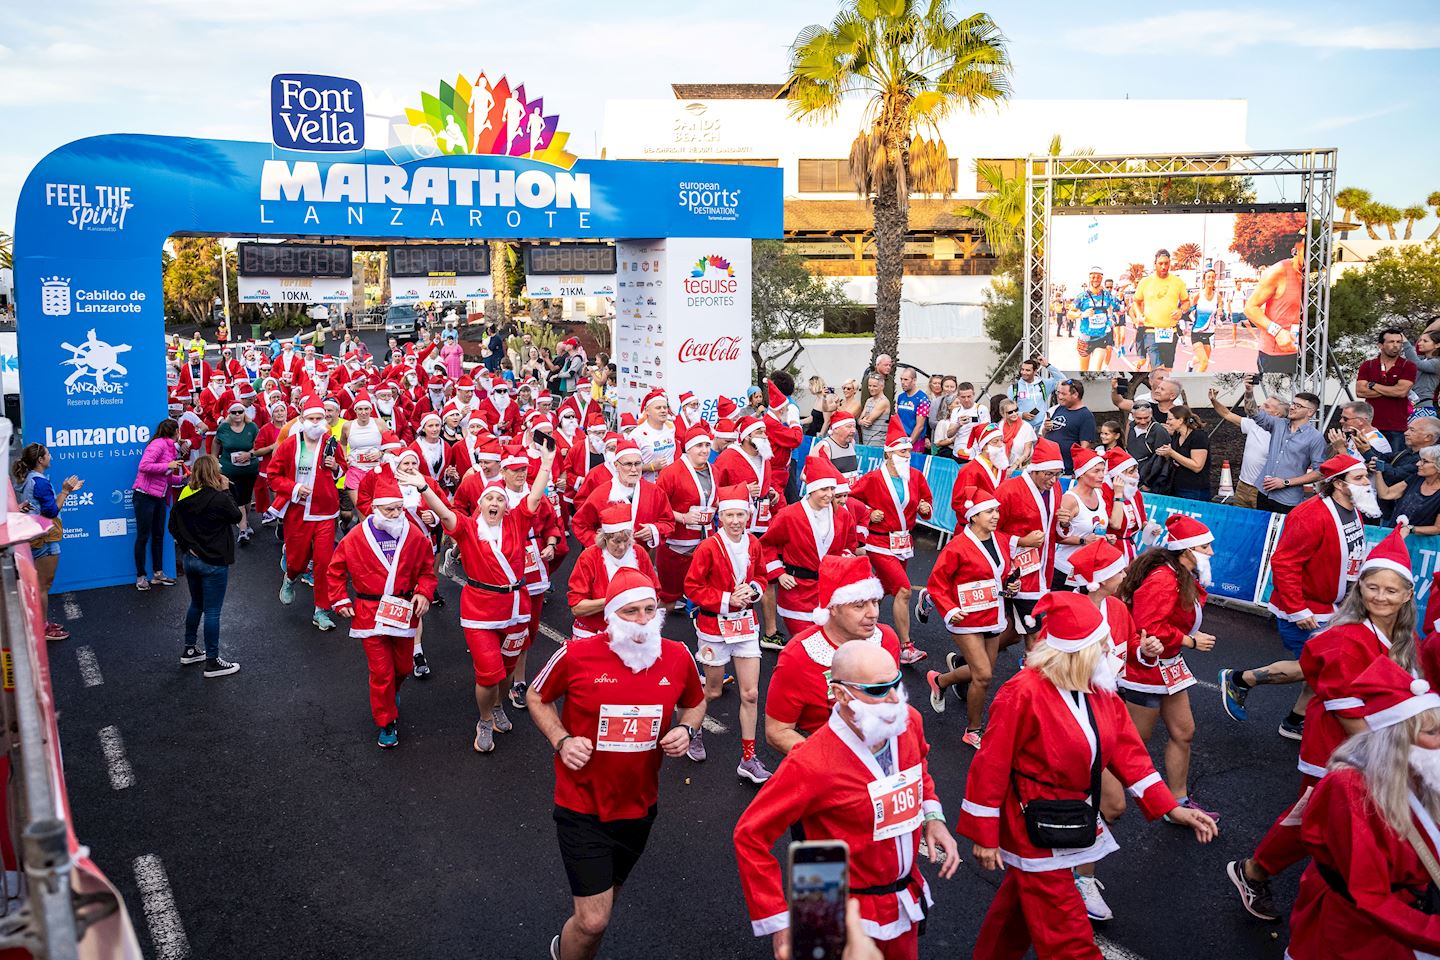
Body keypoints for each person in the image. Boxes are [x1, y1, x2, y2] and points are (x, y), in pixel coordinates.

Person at [958, 591, 1217, 960]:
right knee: (1070, 939)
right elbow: (990, 766)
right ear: (1077, 651)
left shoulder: (1100, 690)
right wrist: (984, 834)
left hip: (1070, 816)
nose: (1112, 649)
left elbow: (1129, 753)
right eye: (1103, 643)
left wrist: (1171, 808)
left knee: (1014, 915)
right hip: (1033, 824)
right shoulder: (1022, 693)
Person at [1227, 527, 1419, 923]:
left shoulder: (1402, 638)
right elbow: (1349, 715)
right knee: (1314, 817)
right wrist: (1392, 762)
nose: (1380, 597)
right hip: (1340, 748)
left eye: (1391, 590)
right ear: (1359, 588)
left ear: (1407, 595)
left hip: (1374, 746)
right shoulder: (1346, 638)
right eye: (1373, 587)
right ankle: (1254, 873)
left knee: (1329, 821)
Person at [735, 640, 959, 960]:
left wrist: (932, 816)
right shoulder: (810, 762)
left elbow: (918, 766)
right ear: (841, 694)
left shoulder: (907, 721)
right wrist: (778, 921)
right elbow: (750, 834)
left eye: (896, 682)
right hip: (833, 908)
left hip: (902, 900)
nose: (895, 697)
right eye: (879, 689)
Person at [528, 568, 705, 960]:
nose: (643, 620)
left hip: (639, 804)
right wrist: (561, 739)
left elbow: (695, 702)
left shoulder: (676, 655)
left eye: (649, 609)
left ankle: (580, 950)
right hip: (582, 804)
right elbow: (537, 696)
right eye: (630, 612)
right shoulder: (577, 654)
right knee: (593, 920)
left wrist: (688, 730)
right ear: (610, 615)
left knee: (605, 901)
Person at [1285, 657, 1440, 958]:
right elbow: (1368, 893)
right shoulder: (1349, 788)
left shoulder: (1422, 772)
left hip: (1408, 915)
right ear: (1396, 739)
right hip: (1356, 930)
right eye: (1432, 733)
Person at [1220, 455, 1383, 738]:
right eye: (1358, 478)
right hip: (1307, 608)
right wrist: (1298, 608)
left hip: (1334, 607)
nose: (1366, 482)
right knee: (1321, 666)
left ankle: (1295, 721)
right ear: (1337, 484)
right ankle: (1240, 679)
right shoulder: (1310, 515)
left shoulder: (1353, 510)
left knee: (1323, 668)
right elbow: (1284, 563)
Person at [1118, 514, 1219, 819]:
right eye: (1205, 547)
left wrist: (1186, 638)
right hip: (1147, 668)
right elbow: (1147, 626)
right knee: (1133, 743)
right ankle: (1094, 791)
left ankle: (1178, 803)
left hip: (1169, 665)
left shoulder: (1180, 574)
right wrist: (1190, 641)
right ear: (1187, 551)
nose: (1211, 553)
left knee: (1184, 732)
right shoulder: (1164, 578)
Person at [327, 471, 437, 747]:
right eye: (390, 509)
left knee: (402, 668)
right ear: (375, 509)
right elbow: (335, 570)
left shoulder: (412, 534)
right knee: (381, 672)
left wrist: (423, 593)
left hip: (403, 611)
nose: (396, 513)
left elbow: (427, 571)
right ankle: (386, 722)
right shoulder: (355, 537)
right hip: (369, 613)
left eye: (399, 508)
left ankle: (391, 694)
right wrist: (340, 599)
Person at [763, 555, 902, 754]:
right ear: (833, 608)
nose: (873, 613)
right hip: (827, 758)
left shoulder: (887, 639)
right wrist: (828, 760)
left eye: (875, 602)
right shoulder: (798, 656)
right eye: (859, 605)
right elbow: (777, 731)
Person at [683, 484, 771, 783]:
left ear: (748, 516)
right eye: (729, 515)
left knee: (751, 692)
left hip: (745, 625)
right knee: (713, 690)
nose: (735, 520)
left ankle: (748, 758)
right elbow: (691, 587)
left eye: (740, 514)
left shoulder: (753, 544)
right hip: (713, 626)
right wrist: (726, 599)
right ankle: (693, 731)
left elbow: (761, 575)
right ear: (720, 517)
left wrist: (755, 589)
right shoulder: (709, 547)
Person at [923, 485, 1016, 749]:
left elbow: (1003, 573)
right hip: (966, 619)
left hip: (994, 614)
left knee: (982, 670)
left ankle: (940, 680)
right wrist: (950, 609)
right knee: (984, 675)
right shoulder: (957, 547)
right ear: (973, 516)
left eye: (997, 510)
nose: (996, 515)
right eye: (989, 511)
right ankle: (973, 729)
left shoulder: (999, 540)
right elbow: (936, 583)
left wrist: (1010, 584)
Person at [851, 417, 933, 665]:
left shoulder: (916, 477)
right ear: (889, 454)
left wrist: (925, 507)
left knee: (885, 590)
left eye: (908, 450)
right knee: (904, 590)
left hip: (904, 543)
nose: (907, 455)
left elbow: (927, 508)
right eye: (902, 450)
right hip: (879, 542)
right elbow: (851, 501)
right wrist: (868, 511)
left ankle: (851, 625)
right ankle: (906, 647)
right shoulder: (874, 478)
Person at [269, 395, 349, 632]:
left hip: (325, 512)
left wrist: (336, 468)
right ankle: (290, 577)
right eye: (311, 418)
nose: (316, 423)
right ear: (302, 418)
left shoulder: (331, 442)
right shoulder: (290, 444)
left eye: (320, 418)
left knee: (324, 563)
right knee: (298, 560)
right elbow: (274, 476)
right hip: (298, 511)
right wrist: (293, 488)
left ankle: (321, 610)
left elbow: (342, 468)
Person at [168, 455, 242, 678]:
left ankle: (190, 649)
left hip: (191, 561)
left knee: (196, 604)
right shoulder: (219, 499)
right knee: (212, 611)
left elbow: (173, 525)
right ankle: (212, 661)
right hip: (214, 562)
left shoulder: (185, 499)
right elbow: (237, 515)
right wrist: (226, 490)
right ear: (214, 473)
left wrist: (187, 545)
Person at [763, 459, 849, 638]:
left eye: (832, 489)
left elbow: (850, 545)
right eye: (823, 489)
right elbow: (766, 545)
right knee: (806, 645)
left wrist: (846, 559)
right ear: (811, 489)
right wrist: (779, 573)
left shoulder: (842, 515)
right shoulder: (789, 515)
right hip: (798, 593)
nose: (829, 494)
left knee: (829, 645)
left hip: (829, 591)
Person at [13, 444, 83, 640]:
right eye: (48, 454)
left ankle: (41, 623)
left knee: (42, 584)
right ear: (40, 460)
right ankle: (42, 628)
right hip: (43, 538)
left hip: (39, 536)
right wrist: (65, 491)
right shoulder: (40, 482)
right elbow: (52, 512)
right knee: (43, 585)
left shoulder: (30, 479)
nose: (51, 456)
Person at [993, 438, 1064, 631]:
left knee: (1015, 630)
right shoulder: (1008, 490)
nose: (1053, 480)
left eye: (1058, 474)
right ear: (1034, 469)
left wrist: (1064, 523)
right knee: (1031, 628)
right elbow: (987, 532)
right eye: (1049, 474)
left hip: (1042, 565)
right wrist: (1021, 541)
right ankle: (1031, 661)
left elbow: (1054, 530)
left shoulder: (1055, 488)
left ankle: (962, 662)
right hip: (1014, 568)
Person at [566, 505, 660, 641]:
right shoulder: (589, 557)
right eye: (616, 541)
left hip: (633, 631)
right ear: (604, 538)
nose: (622, 547)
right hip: (594, 632)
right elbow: (577, 607)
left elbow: (655, 592)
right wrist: (615, 600)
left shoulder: (639, 553)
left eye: (626, 540)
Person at [654, 422, 716, 611]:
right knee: (669, 600)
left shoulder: (714, 470)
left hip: (705, 541)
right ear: (688, 448)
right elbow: (656, 508)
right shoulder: (671, 473)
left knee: (704, 594)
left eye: (707, 445)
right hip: (677, 545)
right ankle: (650, 635)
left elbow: (716, 497)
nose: (705, 450)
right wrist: (682, 517)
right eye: (699, 446)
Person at [571, 440, 674, 552]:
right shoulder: (601, 494)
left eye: (638, 463)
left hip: (641, 556)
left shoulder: (655, 492)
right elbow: (580, 524)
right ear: (616, 465)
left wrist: (654, 530)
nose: (634, 469)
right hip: (607, 560)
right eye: (628, 464)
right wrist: (600, 545)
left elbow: (668, 522)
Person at [1251, 391, 1329, 513]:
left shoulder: (1315, 437)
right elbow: (1254, 413)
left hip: (1287, 499)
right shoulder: (1278, 424)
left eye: (1298, 406)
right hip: (1264, 492)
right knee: (1262, 530)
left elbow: (1320, 472)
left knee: (1283, 531)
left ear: (1310, 412)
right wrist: (1249, 391)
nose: (1292, 407)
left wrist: (1285, 482)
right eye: (1293, 403)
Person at [1209, 383, 1284, 509]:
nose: (1261, 407)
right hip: (1242, 485)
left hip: (1262, 489)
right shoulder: (1253, 424)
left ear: (1277, 414)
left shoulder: (1282, 433)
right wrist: (1213, 400)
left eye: (1266, 406)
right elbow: (1227, 414)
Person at [132, 419, 187, 591]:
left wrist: (182, 479)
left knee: (159, 535)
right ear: (176, 431)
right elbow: (144, 466)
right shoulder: (158, 444)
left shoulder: (170, 447)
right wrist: (168, 465)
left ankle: (158, 574)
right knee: (143, 537)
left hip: (160, 497)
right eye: (179, 431)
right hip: (145, 496)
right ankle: (141, 577)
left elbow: (166, 476)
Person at [1244, 233, 1305, 377]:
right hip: (1277, 354)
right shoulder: (1279, 271)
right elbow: (1250, 308)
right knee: (1277, 397)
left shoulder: (1315, 276)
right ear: (1296, 248)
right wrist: (1277, 331)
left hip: (1307, 353)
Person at [1053, 447, 1110, 589]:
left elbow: (1094, 527)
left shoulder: (1099, 493)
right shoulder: (1070, 499)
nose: (1101, 475)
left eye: (1103, 471)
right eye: (1096, 471)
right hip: (1067, 568)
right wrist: (1083, 540)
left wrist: (1105, 538)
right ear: (1082, 474)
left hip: (1089, 568)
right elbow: (1056, 536)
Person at [1358, 329, 1420, 453]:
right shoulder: (1368, 365)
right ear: (1380, 345)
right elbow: (1360, 391)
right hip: (1371, 425)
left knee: (1393, 462)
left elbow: (1401, 392)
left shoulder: (1408, 366)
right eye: (1391, 342)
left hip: (1397, 426)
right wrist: (1391, 389)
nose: (1396, 345)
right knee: (1369, 461)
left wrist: (1373, 385)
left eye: (1399, 342)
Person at [1132, 249, 1191, 371]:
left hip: (1170, 332)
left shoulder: (1178, 282)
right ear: (1155, 264)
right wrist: (1138, 314)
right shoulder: (1145, 282)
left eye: (1166, 263)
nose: (1164, 267)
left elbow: (1186, 302)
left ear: (1170, 263)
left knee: (1167, 370)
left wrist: (1181, 311)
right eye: (1161, 263)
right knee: (1159, 369)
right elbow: (1136, 302)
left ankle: (1151, 384)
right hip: (1151, 331)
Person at [213, 402, 260, 544]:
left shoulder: (252, 427)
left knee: (246, 499)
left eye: (240, 412)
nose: (238, 415)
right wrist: (214, 460)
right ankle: (243, 531)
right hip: (229, 470)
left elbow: (259, 445)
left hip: (249, 469)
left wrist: (249, 454)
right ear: (229, 414)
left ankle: (245, 522)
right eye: (234, 412)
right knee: (237, 497)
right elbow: (216, 442)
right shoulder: (223, 428)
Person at [1374, 445, 1440, 534]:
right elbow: (1386, 494)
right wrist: (1378, 471)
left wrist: (1410, 529)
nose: (1418, 464)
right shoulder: (1416, 478)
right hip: (1393, 536)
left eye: (1425, 461)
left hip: (1417, 545)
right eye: (1420, 460)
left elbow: (1437, 528)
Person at [1156, 405, 1211, 500]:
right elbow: (1177, 459)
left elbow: (1197, 466)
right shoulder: (1177, 435)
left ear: (1181, 420)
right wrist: (1166, 454)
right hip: (1176, 485)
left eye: (1170, 419)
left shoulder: (1198, 436)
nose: (1167, 422)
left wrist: (1172, 453)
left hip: (1194, 489)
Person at [1042, 380, 1097, 474]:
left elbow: (1085, 447)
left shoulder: (1085, 416)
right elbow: (1044, 434)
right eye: (1058, 393)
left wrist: (1078, 470)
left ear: (1075, 394)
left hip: (1065, 471)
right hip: (1047, 464)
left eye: (1063, 394)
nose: (1059, 397)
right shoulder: (1060, 408)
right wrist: (1046, 428)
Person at [1074, 267, 1121, 372]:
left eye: (1098, 276)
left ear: (1102, 278)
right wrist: (1082, 314)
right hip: (1085, 339)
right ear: (1089, 278)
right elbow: (1070, 314)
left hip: (1100, 338)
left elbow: (1119, 308)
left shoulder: (1108, 296)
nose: (1095, 279)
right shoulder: (1082, 296)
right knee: (1084, 372)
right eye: (1093, 276)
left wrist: (1112, 319)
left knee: (1096, 370)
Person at [630, 389, 676, 481]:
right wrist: (651, 467)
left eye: (665, 407)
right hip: (648, 486)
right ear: (647, 411)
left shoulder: (670, 427)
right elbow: (627, 466)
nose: (663, 411)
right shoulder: (636, 435)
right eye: (658, 408)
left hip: (669, 484)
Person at [809, 409, 860, 484]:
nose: (853, 430)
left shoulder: (852, 443)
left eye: (854, 427)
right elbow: (806, 475)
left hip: (849, 493)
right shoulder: (825, 446)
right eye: (849, 427)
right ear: (836, 429)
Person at [1186, 268, 1221, 372]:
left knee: (1203, 359)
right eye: (1208, 277)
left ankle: (1190, 364)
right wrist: (1193, 319)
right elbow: (1190, 312)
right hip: (1197, 332)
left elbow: (1220, 309)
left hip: (1209, 334)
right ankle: (1192, 385)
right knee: (1204, 363)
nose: (1211, 279)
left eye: (1213, 277)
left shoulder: (1218, 297)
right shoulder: (1198, 296)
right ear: (1204, 280)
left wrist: (1220, 313)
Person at [1010, 357, 1063, 426]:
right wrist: (1021, 415)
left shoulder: (1043, 384)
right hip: (1022, 427)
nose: (1024, 372)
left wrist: (1047, 366)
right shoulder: (1014, 388)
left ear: (1035, 371)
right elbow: (1008, 409)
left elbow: (1062, 380)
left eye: (1027, 370)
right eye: (1022, 369)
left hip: (1041, 427)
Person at [1404, 329, 1440, 419]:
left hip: (1423, 407)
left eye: (1425, 341)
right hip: (1410, 405)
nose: (1420, 343)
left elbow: (1416, 363)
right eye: (1420, 340)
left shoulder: (1437, 362)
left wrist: (1405, 342)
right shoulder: (1422, 359)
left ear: (1437, 345)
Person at [893, 367, 930, 449]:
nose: (902, 382)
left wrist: (909, 444)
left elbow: (920, 426)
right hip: (900, 439)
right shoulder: (900, 397)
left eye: (906, 379)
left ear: (914, 380)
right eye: (901, 379)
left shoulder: (922, 399)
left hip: (916, 442)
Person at [858, 374, 891, 447]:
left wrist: (861, 420)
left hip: (877, 442)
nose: (871, 388)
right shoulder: (869, 400)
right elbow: (860, 419)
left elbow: (869, 420)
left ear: (882, 387)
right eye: (869, 385)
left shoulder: (883, 401)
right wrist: (861, 421)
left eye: (874, 386)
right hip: (866, 440)